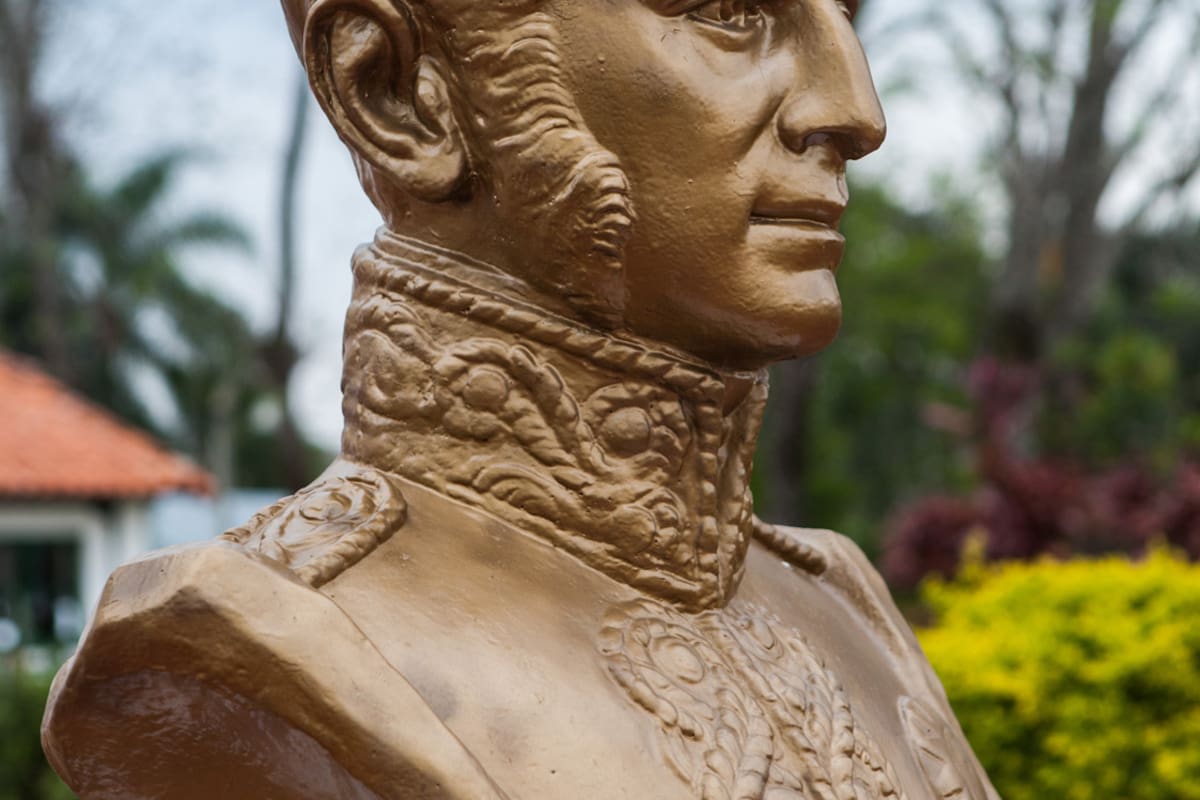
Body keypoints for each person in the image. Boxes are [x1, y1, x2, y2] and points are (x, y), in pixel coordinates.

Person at [43, 2, 1000, 797]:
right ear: (397, 94)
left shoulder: (844, 601)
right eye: (726, 11)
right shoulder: (245, 632)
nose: (855, 110)